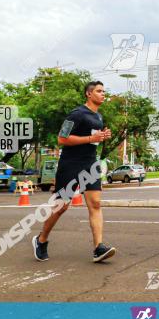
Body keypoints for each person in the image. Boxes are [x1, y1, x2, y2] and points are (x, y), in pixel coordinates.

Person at [33, 81, 114, 263]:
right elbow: (62, 138)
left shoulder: (98, 117)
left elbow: (92, 140)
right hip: (70, 164)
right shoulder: (77, 114)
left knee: (95, 204)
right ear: (89, 93)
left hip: (90, 164)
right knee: (61, 207)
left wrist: (101, 137)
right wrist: (90, 138)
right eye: (99, 91)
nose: (103, 94)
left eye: (104, 91)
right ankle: (41, 239)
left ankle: (98, 248)